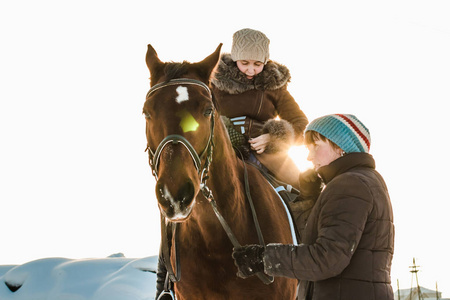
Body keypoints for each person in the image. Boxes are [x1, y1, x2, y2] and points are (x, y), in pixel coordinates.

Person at [232, 114, 395, 300]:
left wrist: (264, 257)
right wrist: (311, 198)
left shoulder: (349, 185)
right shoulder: (365, 181)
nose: (309, 156)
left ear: (340, 147)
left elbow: (326, 259)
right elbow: (330, 241)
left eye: (316, 146)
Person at [212, 28, 309, 188]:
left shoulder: (274, 87)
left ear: (265, 61)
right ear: (236, 58)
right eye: (245, 63)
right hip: (221, 153)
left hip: (267, 158)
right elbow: (193, 118)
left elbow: (302, 126)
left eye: (257, 64)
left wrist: (273, 138)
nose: (251, 70)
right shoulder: (214, 84)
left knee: (304, 193)